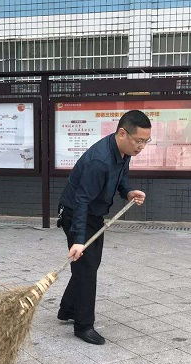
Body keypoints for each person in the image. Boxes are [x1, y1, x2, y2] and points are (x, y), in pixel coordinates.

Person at [57, 110, 149, 345]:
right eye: (139, 141)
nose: (141, 147)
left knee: (88, 265)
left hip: (94, 214)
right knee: (87, 268)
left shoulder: (123, 152)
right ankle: (83, 325)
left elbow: (121, 179)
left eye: (146, 141)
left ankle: (68, 309)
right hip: (77, 214)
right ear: (122, 133)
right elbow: (81, 200)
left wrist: (128, 192)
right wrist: (78, 239)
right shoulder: (99, 161)